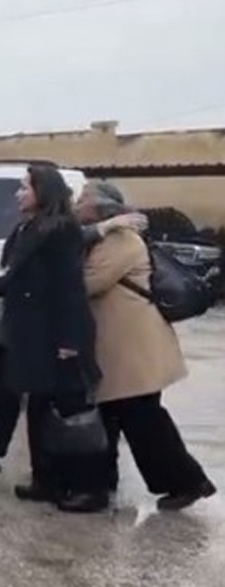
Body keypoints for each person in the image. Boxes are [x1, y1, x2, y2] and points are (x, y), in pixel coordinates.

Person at [75, 181, 216, 511]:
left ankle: (189, 481)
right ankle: (102, 483)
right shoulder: (103, 237)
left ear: (99, 208)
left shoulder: (120, 240)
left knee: (144, 421)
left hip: (134, 348)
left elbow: (89, 283)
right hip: (120, 348)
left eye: (82, 199)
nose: (76, 204)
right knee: (113, 417)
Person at [0, 209, 149, 474]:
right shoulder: (34, 229)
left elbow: (73, 273)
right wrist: (105, 226)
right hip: (18, 327)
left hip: (44, 331)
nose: (79, 204)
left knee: (39, 400)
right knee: (7, 390)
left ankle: (42, 471)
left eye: (25, 187)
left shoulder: (76, 234)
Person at [0, 165, 108, 513]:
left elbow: (69, 289)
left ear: (42, 191)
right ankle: (46, 480)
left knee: (72, 414)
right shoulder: (28, 228)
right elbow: (14, 280)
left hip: (58, 334)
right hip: (34, 334)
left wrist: (71, 340)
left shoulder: (62, 231)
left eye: (24, 188)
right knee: (41, 409)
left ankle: (90, 488)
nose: (18, 194)